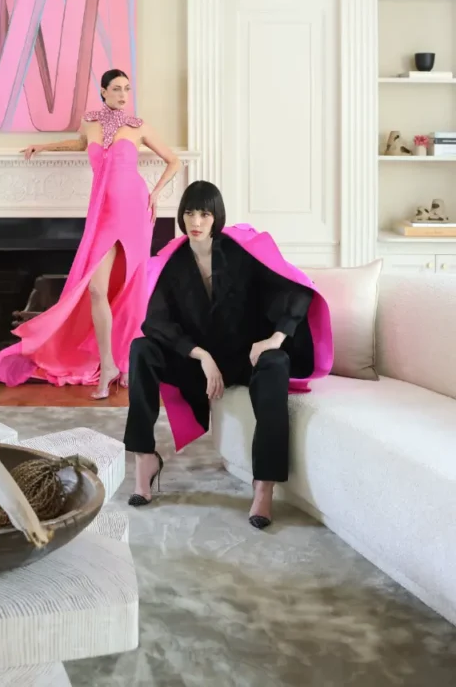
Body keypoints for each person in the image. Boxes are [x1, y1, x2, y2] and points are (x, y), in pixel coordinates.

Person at [123, 181, 332, 526]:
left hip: (242, 359)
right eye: (190, 211)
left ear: (216, 216)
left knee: (276, 363)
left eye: (204, 212)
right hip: (199, 366)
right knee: (141, 349)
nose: (196, 220)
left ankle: (263, 484)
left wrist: (275, 338)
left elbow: (295, 289)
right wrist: (200, 355)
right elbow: (155, 322)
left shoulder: (240, 254)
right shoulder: (172, 263)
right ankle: (144, 459)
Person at [0, 69, 181, 398]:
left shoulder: (138, 126)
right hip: (102, 211)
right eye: (117, 89)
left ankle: (124, 361)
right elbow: (80, 145)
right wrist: (44, 147)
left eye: (127, 89)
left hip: (133, 209)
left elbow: (173, 161)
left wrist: (155, 193)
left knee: (130, 289)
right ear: (103, 92)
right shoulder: (89, 122)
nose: (123, 95)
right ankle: (108, 363)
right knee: (96, 289)